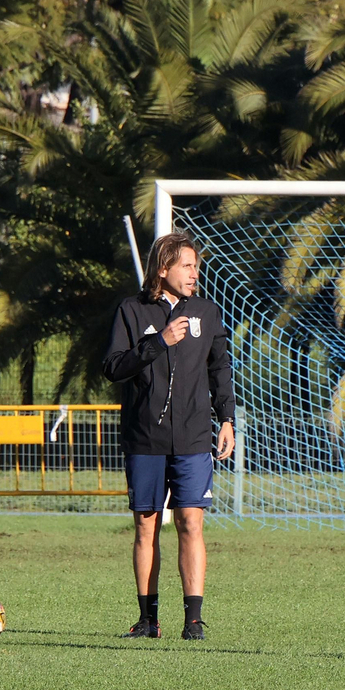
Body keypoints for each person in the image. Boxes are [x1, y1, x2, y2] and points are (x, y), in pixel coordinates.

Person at [102, 232, 235, 640]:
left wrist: (226, 418)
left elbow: (220, 370)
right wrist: (157, 342)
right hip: (145, 438)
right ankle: (147, 620)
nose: (196, 273)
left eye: (196, 266)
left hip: (194, 437)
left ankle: (193, 620)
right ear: (163, 268)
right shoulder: (131, 310)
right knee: (147, 526)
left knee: (191, 523)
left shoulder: (207, 313)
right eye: (188, 266)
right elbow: (113, 367)